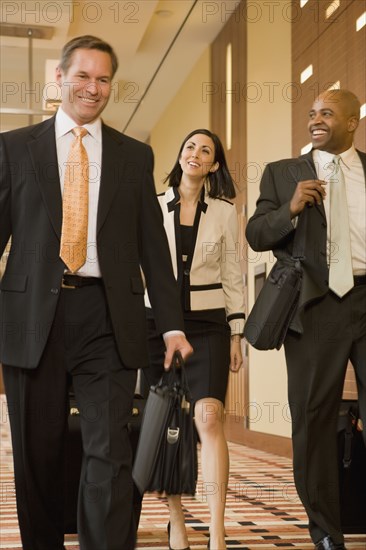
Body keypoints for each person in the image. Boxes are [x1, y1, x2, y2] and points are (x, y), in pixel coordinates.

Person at [0, 35, 192, 550]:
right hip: (31, 318)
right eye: (82, 76)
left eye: (103, 79)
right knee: (36, 456)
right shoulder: (15, 147)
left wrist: (172, 325)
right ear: (59, 79)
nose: (93, 87)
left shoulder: (134, 156)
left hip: (108, 316)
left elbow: (155, 249)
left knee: (109, 452)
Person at [246, 89, 366, 550]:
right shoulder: (283, 173)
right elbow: (256, 234)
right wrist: (289, 210)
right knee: (313, 423)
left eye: (327, 113)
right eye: (312, 114)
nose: (316, 120)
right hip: (316, 305)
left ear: (353, 121)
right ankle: (327, 534)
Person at [144, 129, 246, 550]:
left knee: (208, 418)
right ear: (180, 155)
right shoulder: (151, 206)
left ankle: (218, 531)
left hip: (209, 325)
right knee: (170, 426)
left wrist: (238, 332)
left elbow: (233, 275)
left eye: (206, 150)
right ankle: (177, 521)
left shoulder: (224, 212)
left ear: (214, 165)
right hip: (159, 325)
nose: (196, 154)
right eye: (190, 146)